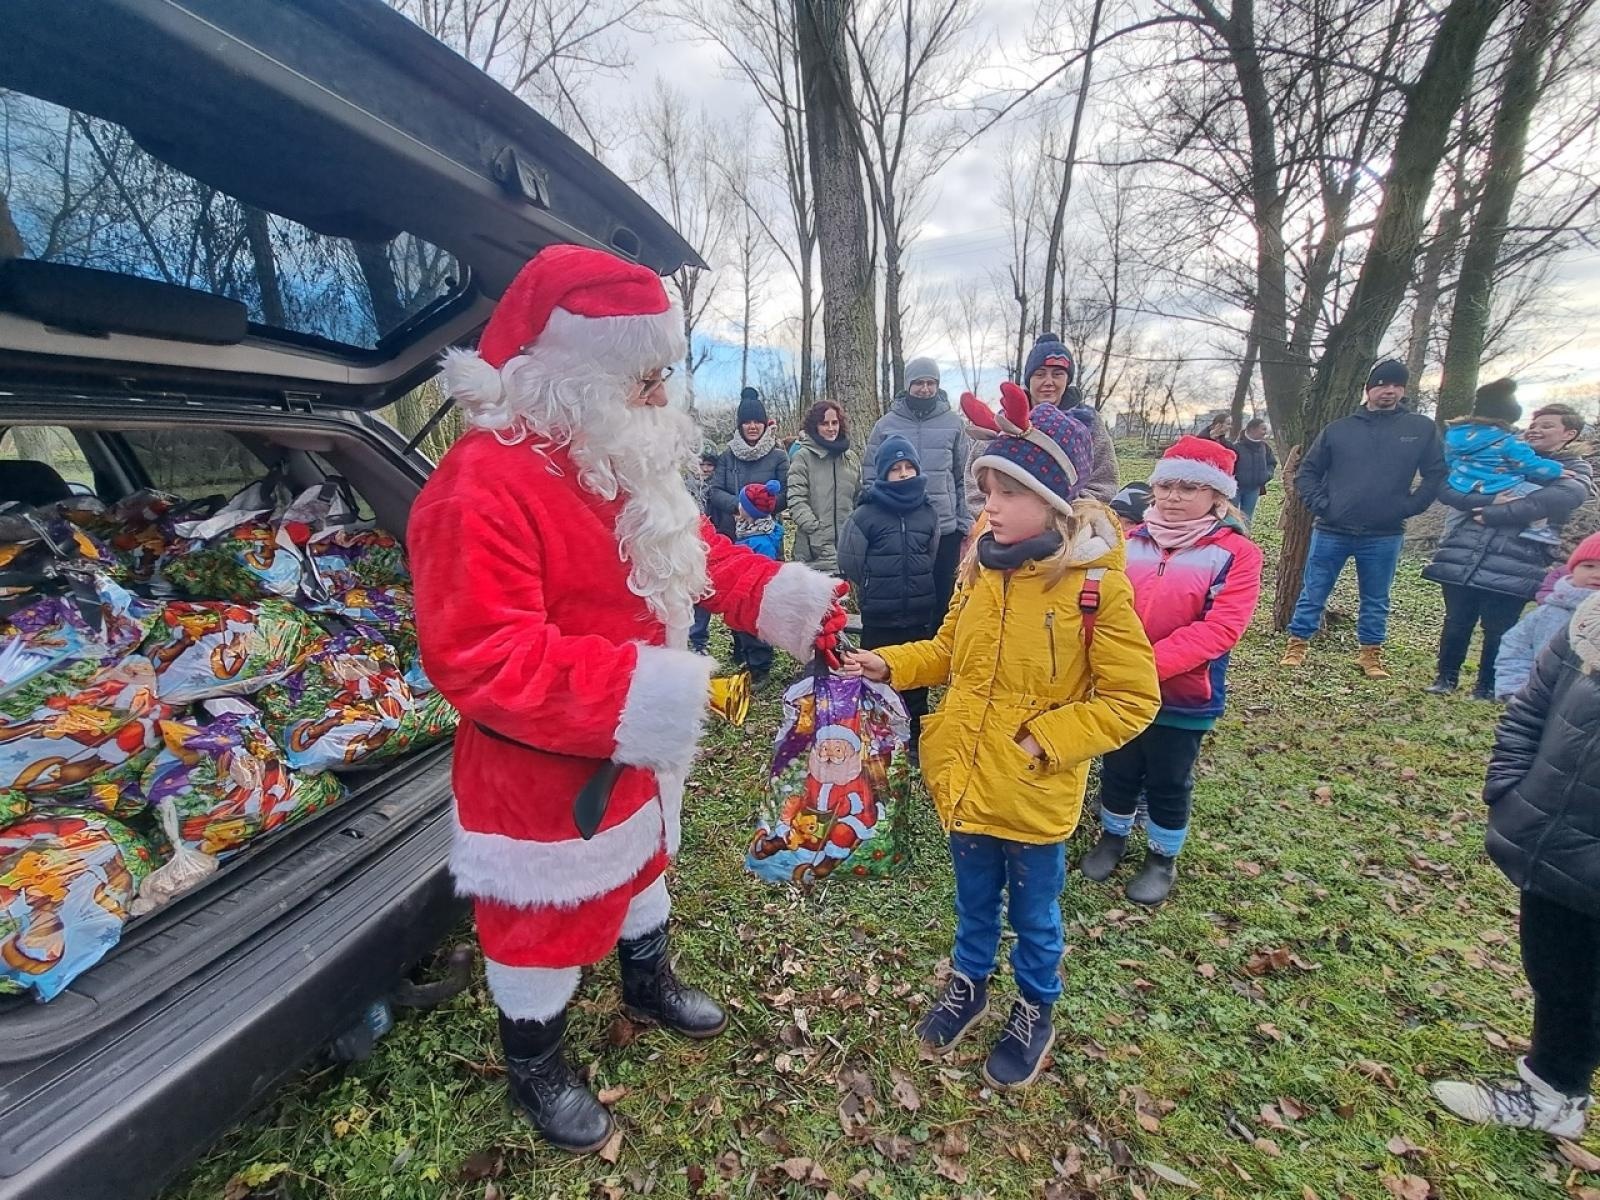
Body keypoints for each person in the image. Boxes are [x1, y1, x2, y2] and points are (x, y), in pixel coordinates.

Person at [407, 245, 845, 1154]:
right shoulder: (480, 485)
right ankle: (535, 1059)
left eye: (661, 377)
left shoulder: (622, 460)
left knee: (644, 865)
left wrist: (786, 598)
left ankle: (645, 980)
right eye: (644, 379)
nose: (661, 397)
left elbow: (697, 558)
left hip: (638, 741)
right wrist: (642, 695)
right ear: (576, 376)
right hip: (542, 764)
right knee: (539, 919)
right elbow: (481, 654)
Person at [845, 382, 1160, 1091]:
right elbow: (949, 652)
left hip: (1034, 791)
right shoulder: (981, 569)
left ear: (1050, 501)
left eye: (1005, 491)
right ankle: (969, 983)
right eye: (985, 488)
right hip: (965, 774)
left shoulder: (1094, 590)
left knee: (1037, 915)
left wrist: (1043, 740)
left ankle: (1034, 1009)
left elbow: (1133, 698)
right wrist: (887, 663)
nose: (988, 505)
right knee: (973, 899)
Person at [1431, 587, 1600, 1137]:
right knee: (1558, 972)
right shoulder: (1590, 621)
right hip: (1555, 833)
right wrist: (1509, 786)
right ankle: (1555, 1095)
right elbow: (1532, 707)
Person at [1079, 437, 1263, 905]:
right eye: (1167, 486)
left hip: (1184, 695)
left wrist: (1141, 667)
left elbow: (1220, 628)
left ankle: (1162, 855)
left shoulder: (1235, 554)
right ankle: (1113, 837)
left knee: (1168, 777)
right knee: (1118, 766)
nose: (1175, 497)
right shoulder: (1129, 542)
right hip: (1119, 689)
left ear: (1218, 497)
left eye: (1190, 488)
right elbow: (1099, 605)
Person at [1281, 358, 1445, 679]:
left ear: (1404, 390)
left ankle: (1370, 655)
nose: (1389, 391)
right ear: (1369, 389)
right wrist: (1322, 505)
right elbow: (1308, 472)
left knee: (1376, 597)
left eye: (1397, 385)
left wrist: (1410, 506)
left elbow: (1436, 473)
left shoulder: (1419, 428)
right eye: (1382, 384)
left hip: (1384, 533)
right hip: (1332, 529)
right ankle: (1297, 645)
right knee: (1314, 590)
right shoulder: (1340, 430)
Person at [1424, 401, 1594, 698]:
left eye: (1547, 426)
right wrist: (1487, 500)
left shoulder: (1574, 469)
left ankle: (1488, 686)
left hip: (1519, 559)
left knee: (1499, 627)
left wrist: (1493, 513)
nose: (1535, 430)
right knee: (1456, 621)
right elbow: (1450, 488)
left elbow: (1554, 500)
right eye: (1534, 424)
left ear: (1569, 433)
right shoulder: (1498, 453)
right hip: (1466, 551)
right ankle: (1445, 678)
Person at [837, 435, 940, 762]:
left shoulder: (927, 512)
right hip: (880, 614)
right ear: (884, 473)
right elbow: (849, 560)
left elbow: (932, 553)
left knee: (916, 681)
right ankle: (876, 737)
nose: (904, 473)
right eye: (896, 468)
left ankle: (913, 740)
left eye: (909, 466)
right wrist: (872, 584)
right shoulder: (866, 514)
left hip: (919, 613)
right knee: (874, 677)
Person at [866, 357, 972, 628]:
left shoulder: (954, 424)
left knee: (942, 599)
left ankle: (939, 658)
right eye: (919, 383)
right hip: (899, 527)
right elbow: (870, 476)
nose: (925, 389)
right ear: (908, 385)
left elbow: (964, 478)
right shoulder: (885, 425)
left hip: (944, 527)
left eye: (930, 383)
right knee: (908, 597)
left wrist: (964, 523)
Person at [708, 387, 792, 681]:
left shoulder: (779, 456)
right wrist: (737, 507)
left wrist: (760, 507)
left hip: (765, 541)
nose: (752, 426)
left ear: (764, 423)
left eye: (757, 421)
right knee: (736, 596)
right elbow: (714, 490)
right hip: (734, 538)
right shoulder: (728, 456)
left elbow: (787, 493)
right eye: (747, 422)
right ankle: (741, 647)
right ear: (740, 425)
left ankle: (761, 663)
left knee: (760, 599)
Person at [1442, 378, 1565, 545]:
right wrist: (1557, 470)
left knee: (1455, 515)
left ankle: (1446, 540)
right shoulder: (1509, 440)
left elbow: (1449, 460)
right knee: (1540, 496)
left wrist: (1461, 475)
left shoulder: (1455, 435)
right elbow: (1528, 464)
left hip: (1463, 485)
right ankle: (1538, 529)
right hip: (1502, 484)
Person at [1494, 534, 1600, 700]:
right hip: (1539, 700)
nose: (1596, 574)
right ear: (1572, 569)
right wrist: (1514, 687)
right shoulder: (1548, 612)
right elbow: (1515, 646)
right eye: (1588, 566)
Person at [788, 401, 862, 574]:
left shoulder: (851, 459)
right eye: (824, 423)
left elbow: (858, 498)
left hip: (846, 549)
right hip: (813, 552)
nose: (831, 428)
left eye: (834, 423)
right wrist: (815, 528)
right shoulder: (802, 457)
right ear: (815, 427)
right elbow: (796, 499)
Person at [688, 449, 718, 655]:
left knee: (708, 593)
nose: (705, 470)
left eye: (710, 465)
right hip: (691, 545)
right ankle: (693, 640)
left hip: (715, 544)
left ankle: (700, 640)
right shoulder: (684, 488)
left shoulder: (717, 488)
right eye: (702, 465)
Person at [1231, 418, 1277, 526]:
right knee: (1232, 517)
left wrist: (1266, 475)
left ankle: (1245, 539)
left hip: (1253, 489)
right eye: (1263, 429)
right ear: (1252, 429)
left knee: (1247, 518)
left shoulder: (1265, 447)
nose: (1265, 432)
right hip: (1235, 489)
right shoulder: (1236, 447)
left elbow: (1272, 463)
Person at [734, 480, 784, 561]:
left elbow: (767, 570)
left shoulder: (764, 546)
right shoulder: (744, 528)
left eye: (741, 503)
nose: (739, 504)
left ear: (748, 511)